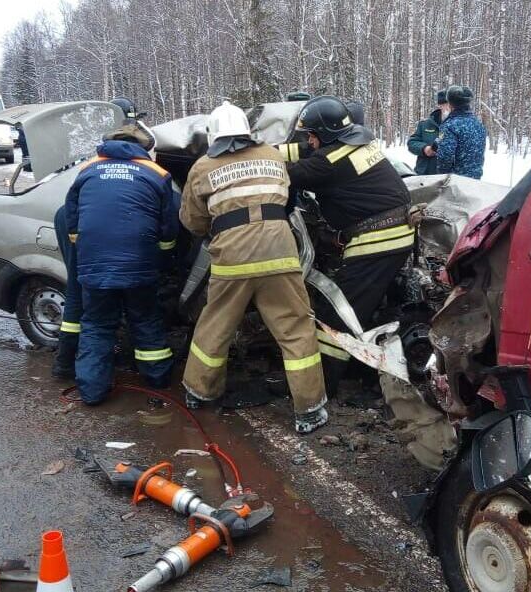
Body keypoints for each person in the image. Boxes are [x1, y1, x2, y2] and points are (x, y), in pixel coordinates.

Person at [180, 101, 328, 434]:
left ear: (214, 136)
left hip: (233, 259)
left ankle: (199, 393)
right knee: (295, 329)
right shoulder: (273, 156)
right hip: (280, 252)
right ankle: (310, 409)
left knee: (215, 326)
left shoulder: (203, 167)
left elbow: (192, 220)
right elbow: (288, 201)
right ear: (249, 133)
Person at [287, 96, 415, 408]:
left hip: (376, 242)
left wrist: (256, 157)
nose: (309, 141)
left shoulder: (328, 162)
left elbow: (288, 172)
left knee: (337, 317)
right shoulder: (357, 144)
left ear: (326, 135)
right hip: (394, 235)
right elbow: (308, 151)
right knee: (363, 309)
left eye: (312, 135)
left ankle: (323, 387)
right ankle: (362, 371)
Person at [65, 125, 178, 405]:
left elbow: (72, 221)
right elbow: (168, 227)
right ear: (142, 147)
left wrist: (90, 254)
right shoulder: (157, 173)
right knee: (145, 317)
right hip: (139, 262)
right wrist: (164, 257)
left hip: (95, 264)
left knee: (97, 324)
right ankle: (157, 378)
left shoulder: (87, 170)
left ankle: (91, 392)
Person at [50, 203, 82, 379]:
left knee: (76, 290)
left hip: (70, 213)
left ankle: (64, 362)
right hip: (87, 218)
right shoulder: (157, 179)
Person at [435, 85, 487, 179]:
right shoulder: (478, 123)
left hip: (457, 182)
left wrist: (443, 177)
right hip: (475, 179)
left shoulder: (450, 125)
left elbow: (445, 156)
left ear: (450, 104)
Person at [407, 90, 449, 175]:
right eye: (447, 104)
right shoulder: (425, 124)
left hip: (449, 177)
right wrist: (424, 149)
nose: (451, 108)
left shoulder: (459, 126)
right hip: (425, 176)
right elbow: (412, 143)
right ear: (440, 105)